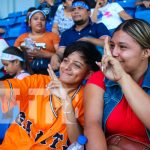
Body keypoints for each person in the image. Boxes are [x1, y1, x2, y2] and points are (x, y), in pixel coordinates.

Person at [0, 41, 101, 149]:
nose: (67, 67)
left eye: (76, 65)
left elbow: (77, 143)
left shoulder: (87, 98)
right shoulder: (38, 82)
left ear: (88, 74)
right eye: (65, 61)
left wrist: (66, 101)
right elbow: (5, 88)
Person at [84, 19, 150, 150]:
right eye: (112, 45)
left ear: (146, 53)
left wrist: (122, 78)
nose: (114, 53)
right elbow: (92, 125)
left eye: (123, 47)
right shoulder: (100, 78)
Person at [51, 0, 110, 71]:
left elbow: (107, 44)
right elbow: (61, 52)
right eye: (73, 9)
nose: (76, 11)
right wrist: (55, 56)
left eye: (80, 8)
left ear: (89, 12)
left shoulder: (99, 27)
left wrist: (87, 39)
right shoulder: (66, 33)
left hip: (96, 68)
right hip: (72, 69)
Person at [14, 9, 60, 74]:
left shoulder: (53, 36)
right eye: (35, 19)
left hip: (47, 69)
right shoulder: (22, 37)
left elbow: (60, 54)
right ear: (29, 23)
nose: (39, 21)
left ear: (45, 23)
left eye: (42, 19)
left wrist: (43, 54)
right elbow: (13, 55)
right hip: (26, 70)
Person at [0, 46, 30, 144]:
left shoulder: (24, 78)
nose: (4, 68)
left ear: (16, 62)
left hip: (19, 119)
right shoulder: (18, 77)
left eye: (6, 65)